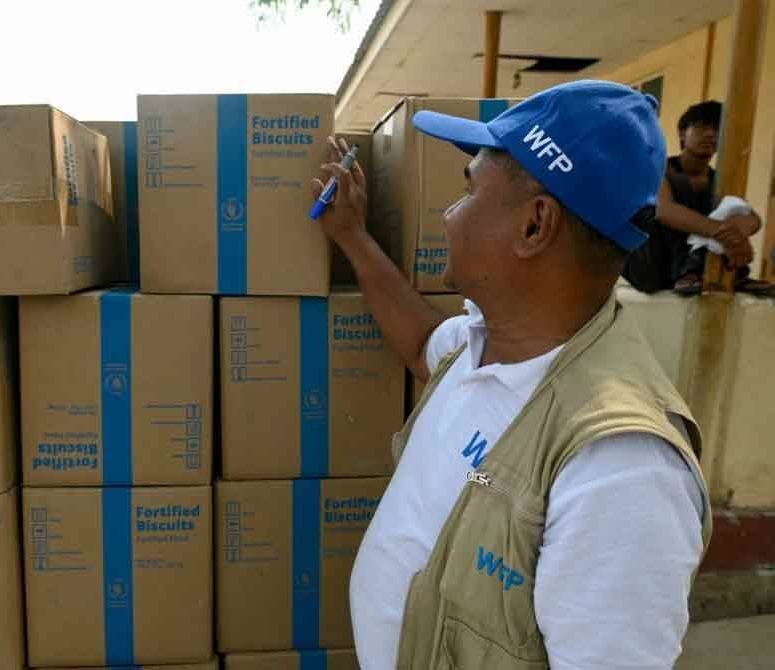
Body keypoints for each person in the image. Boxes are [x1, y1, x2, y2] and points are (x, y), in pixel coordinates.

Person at [313, 80, 710, 670]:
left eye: (468, 190)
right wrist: (351, 235)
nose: (448, 215)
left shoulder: (619, 466)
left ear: (534, 225)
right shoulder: (483, 344)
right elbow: (423, 341)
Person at [623, 100, 770, 295]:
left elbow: (752, 218)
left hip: (691, 265)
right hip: (648, 264)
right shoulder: (658, 167)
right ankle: (689, 272)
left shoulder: (718, 179)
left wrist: (736, 234)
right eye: (702, 127)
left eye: (717, 129)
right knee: (681, 195)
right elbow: (664, 210)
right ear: (683, 134)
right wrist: (727, 234)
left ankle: (728, 275)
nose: (710, 134)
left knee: (730, 209)